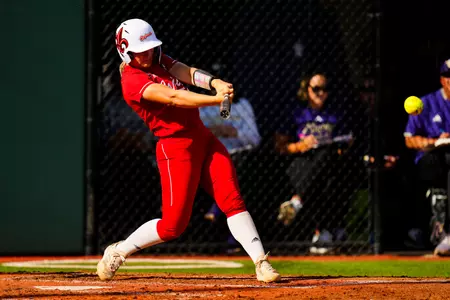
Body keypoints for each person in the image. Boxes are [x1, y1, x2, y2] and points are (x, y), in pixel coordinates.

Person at [96, 18, 280, 282]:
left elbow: (188, 72)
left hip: (203, 140)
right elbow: (175, 98)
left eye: (149, 47)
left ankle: (261, 263)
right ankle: (119, 250)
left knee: (232, 199)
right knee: (173, 226)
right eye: (141, 50)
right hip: (175, 149)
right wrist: (215, 99)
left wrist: (214, 82)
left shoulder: (157, 58)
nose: (148, 53)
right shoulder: (132, 82)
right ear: (126, 51)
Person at [275, 73, 351, 253]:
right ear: (307, 90)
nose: (321, 93)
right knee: (320, 178)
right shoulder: (297, 113)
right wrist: (302, 145)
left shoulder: (335, 115)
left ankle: (298, 201)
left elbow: (345, 143)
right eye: (316, 89)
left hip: (329, 163)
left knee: (326, 158)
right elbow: (280, 147)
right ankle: (322, 233)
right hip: (301, 162)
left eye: (325, 89)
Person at [199, 95, 262, 253]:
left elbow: (255, 140)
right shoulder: (200, 103)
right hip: (208, 157)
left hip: (239, 156)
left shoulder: (242, 104)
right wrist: (211, 132)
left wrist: (234, 132)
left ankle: (216, 211)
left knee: (241, 167)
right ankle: (223, 234)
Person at [404, 58, 450, 256]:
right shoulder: (427, 103)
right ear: (442, 80)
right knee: (435, 162)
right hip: (430, 159)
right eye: (449, 77)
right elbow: (409, 140)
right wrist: (432, 142)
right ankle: (439, 228)